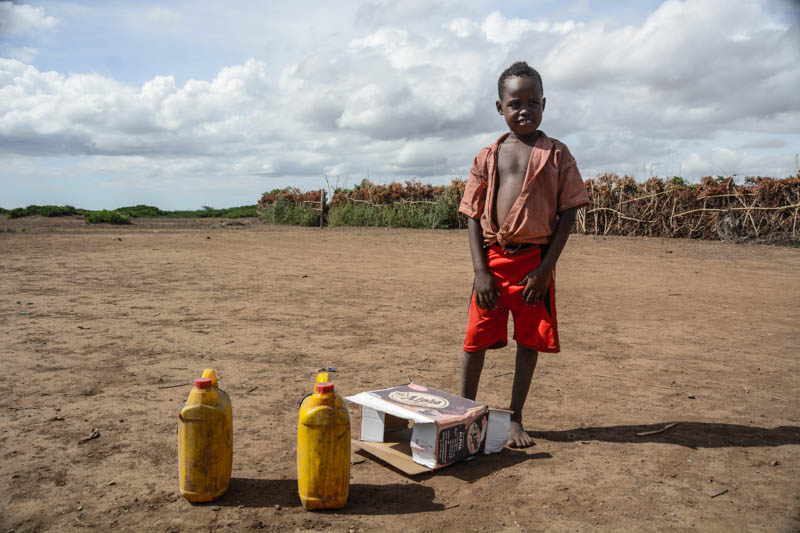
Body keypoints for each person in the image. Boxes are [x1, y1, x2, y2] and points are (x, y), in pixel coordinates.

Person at [459, 61, 590, 448]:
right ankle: (467, 413)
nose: (524, 110)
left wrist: (546, 269)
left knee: (529, 341)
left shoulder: (557, 154)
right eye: (515, 103)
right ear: (500, 107)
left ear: (545, 104)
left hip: (534, 264)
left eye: (533, 102)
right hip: (493, 263)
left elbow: (569, 211)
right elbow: (470, 213)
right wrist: (481, 271)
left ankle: (515, 417)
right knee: (475, 340)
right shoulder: (487, 155)